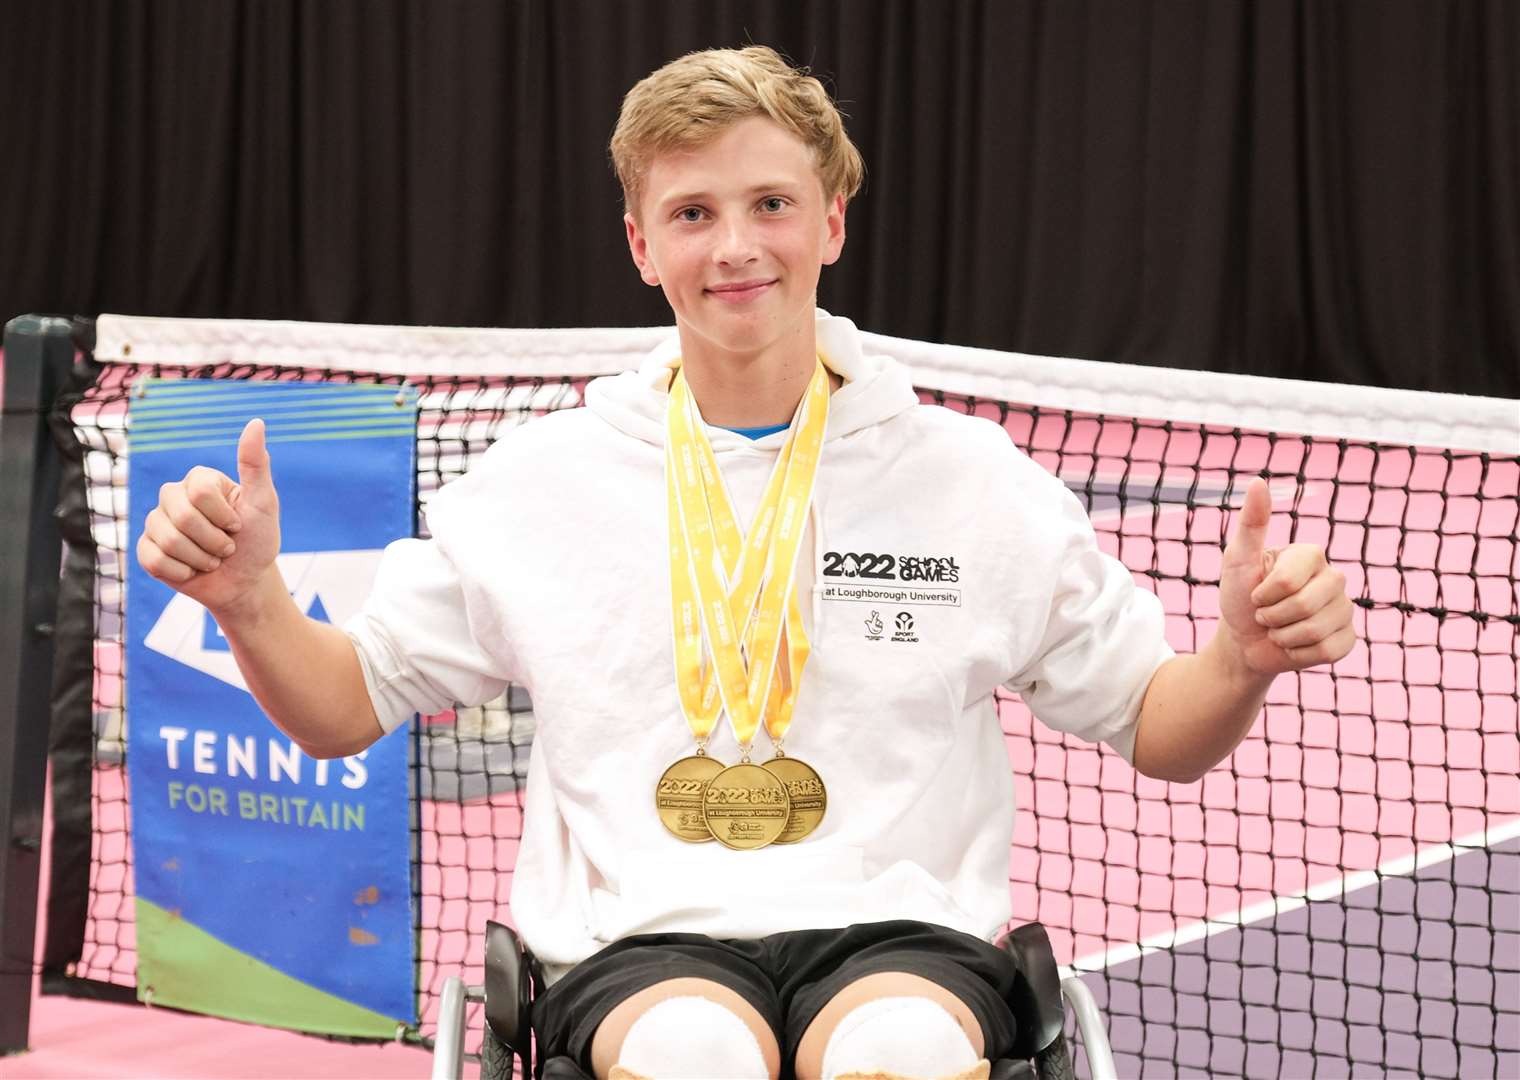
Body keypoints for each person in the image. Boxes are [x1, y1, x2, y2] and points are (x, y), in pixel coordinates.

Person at [136, 45, 1356, 1080]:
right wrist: (248, 603)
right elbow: (346, 707)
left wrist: (1238, 660)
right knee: (694, 1064)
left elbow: (1157, 725)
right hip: (634, 950)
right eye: (692, 213)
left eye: (770, 204)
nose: (736, 246)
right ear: (639, 244)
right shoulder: (540, 480)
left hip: (905, 939)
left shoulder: (974, 479)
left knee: (904, 1057)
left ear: (830, 219)